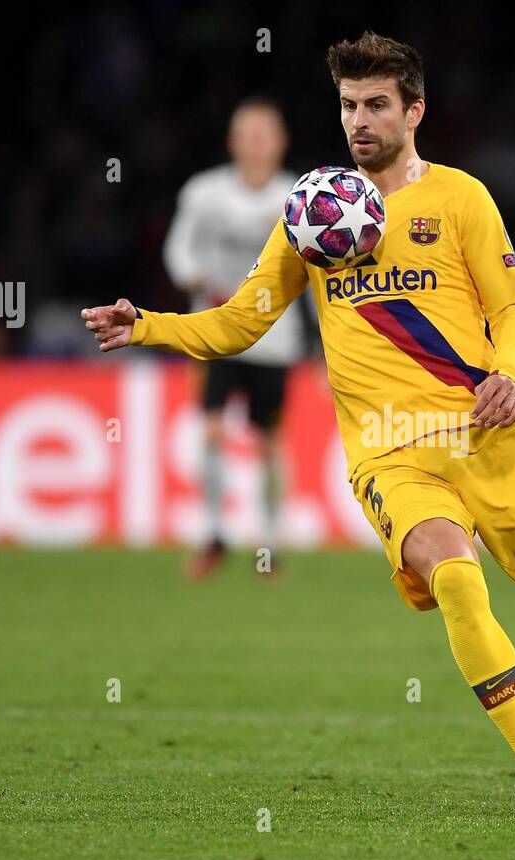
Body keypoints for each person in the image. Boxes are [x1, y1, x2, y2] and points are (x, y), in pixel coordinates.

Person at [83, 32, 515, 819]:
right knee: (457, 580)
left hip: (489, 440)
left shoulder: (461, 199)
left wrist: (509, 376)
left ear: (413, 111)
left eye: (376, 105)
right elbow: (240, 323)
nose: (359, 119)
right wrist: (145, 324)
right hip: (391, 456)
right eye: (349, 105)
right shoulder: (314, 220)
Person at [162, 98, 310, 577]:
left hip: (275, 338)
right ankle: (213, 534)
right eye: (246, 134)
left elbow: (318, 269)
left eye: (264, 133)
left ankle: (268, 546)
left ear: (281, 141)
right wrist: (199, 279)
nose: (255, 143)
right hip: (214, 332)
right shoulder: (204, 192)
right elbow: (178, 250)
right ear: (232, 142)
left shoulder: (298, 198)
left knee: (269, 440)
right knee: (210, 431)